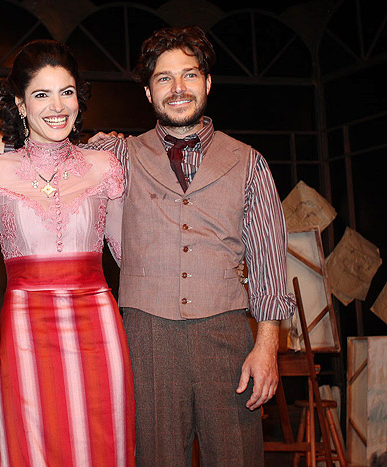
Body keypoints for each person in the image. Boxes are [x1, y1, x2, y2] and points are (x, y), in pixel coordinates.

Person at [89, 26, 295, 466]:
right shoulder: (118, 157)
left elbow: (269, 261)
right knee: (156, 457)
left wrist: (266, 346)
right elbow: (47, 154)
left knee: (237, 456)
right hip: (147, 336)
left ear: (207, 83)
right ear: (147, 92)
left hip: (227, 334)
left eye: (189, 75)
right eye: (164, 78)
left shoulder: (249, 162)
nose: (178, 88)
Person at [0, 39, 135, 467]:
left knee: (104, 437)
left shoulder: (104, 167)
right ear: (20, 103)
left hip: (98, 323)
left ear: (79, 97)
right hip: (26, 325)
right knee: (33, 442)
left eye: (67, 91)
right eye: (41, 94)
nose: (57, 105)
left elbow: (130, 256)